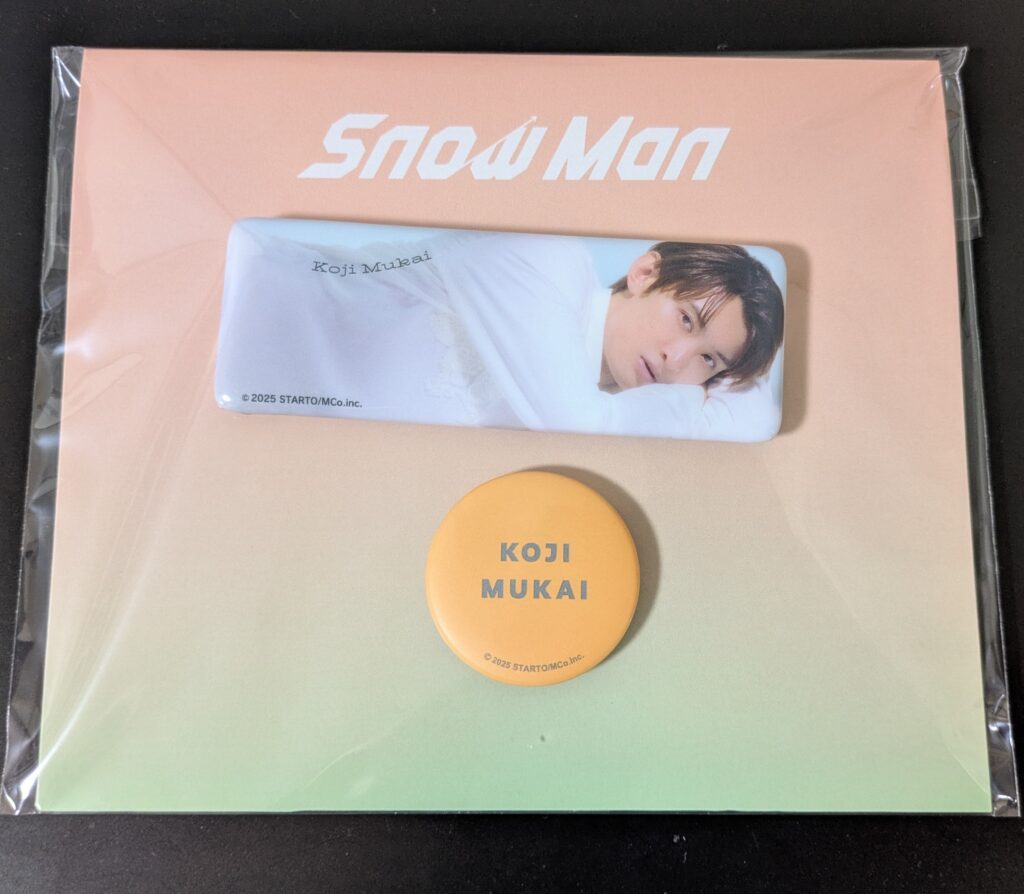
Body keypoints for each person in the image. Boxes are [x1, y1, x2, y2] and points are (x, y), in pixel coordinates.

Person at [216, 221, 785, 442]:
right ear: (644, 273)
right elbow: (581, 423)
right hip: (238, 305)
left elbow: (761, 413)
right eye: (686, 319)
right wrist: (698, 403)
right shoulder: (548, 261)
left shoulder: (604, 403)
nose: (676, 358)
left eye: (709, 361)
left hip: (249, 432)